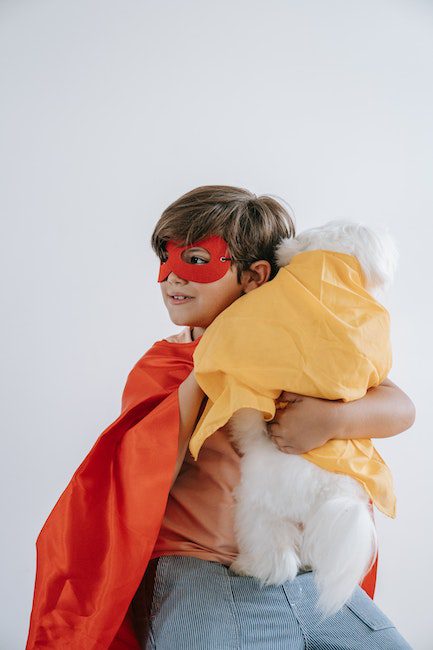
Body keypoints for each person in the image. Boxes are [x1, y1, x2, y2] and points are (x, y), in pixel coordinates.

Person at [25, 185, 415, 649]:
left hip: (308, 577)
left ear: (255, 276)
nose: (170, 278)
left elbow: (399, 407)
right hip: (206, 575)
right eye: (164, 259)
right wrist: (217, 361)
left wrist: (332, 420)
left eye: (195, 259)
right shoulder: (168, 365)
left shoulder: (303, 351)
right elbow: (143, 470)